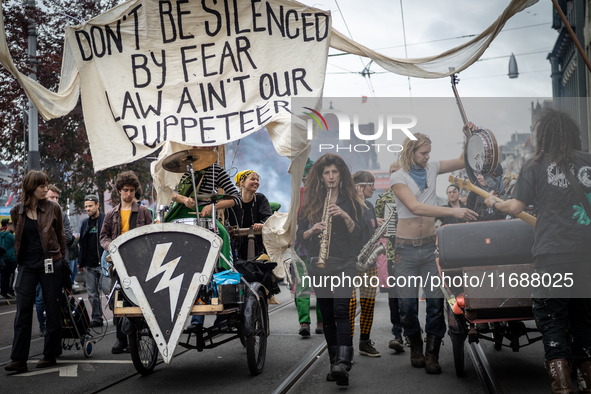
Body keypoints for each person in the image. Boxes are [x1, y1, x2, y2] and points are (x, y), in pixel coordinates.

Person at [484, 108, 591, 393]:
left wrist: (495, 202)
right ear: (573, 134)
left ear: (543, 136)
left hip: (553, 253)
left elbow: (515, 207)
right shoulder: (589, 161)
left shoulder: (535, 165)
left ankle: (562, 387)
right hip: (587, 254)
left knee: (550, 314)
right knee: (584, 315)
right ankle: (587, 379)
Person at [390, 130, 477, 375]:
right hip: (404, 250)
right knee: (406, 306)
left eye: (429, 152)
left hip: (429, 248)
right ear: (410, 152)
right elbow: (415, 207)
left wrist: (468, 137)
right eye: (424, 153)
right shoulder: (398, 177)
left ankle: (432, 353)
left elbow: (462, 161)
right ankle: (415, 346)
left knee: (436, 304)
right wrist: (453, 212)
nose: (429, 157)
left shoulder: (433, 167)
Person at [297, 153, 365, 386]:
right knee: (327, 313)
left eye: (335, 172)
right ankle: (334, 362)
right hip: (320, 263)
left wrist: (345, 216)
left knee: (340, 309)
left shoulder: (352, 200)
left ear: (341, 174)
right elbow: (300, 236)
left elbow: (360, 235)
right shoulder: (313, 202)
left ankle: (344, 362)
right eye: (327, 172)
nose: (331, 176)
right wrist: (311, 230)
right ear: (321, 176)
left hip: (345, 261)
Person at [4, 171, 67, 373]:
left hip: (50, 263)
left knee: (52, 308)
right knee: (22, 311)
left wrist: (60, 260)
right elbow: (19, 239)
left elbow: (61, 236)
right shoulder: (17, 211)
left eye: (46, 185)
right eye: (41, 186)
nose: (45, 189)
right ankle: (19, 359)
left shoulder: (53, 208)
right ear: (31, 187)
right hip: (27, 266)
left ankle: (50, 354)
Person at [100, 171, 153, 354]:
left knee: (139, 298)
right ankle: (120, 338)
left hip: (139, 262)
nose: (128, 193)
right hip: (118, 263)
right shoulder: (111, 214)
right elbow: (103, 237)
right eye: (125, 190)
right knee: (117, 299)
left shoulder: (144, 212)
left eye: (131, 190)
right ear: (119, 191)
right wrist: (111, 247)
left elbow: (151, 236)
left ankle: (141, 334)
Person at [349, 170, 382, 357]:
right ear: (360, 186)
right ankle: (348, 346)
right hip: (351, 262)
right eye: (371, 185)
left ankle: (364, 341)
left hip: (369, 261)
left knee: (369, 303)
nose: (374, 189)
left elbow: (371, 230)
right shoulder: (349, 205)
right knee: (351, 304)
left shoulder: (370, 205)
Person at [374, 161, 406, 353]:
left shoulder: (415, 195)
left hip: (410, 251)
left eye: (398, 172)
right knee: (393, 295)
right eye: (392, 172)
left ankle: (410, 327)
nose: (395, 174)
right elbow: (378, 227)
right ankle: (397, 331)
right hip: (392, 253)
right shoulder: (383, 199)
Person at [35, 185, 73, 337]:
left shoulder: (63, 215)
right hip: (41, 261)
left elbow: (69, 237)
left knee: (59, 296)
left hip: (59, 262)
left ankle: (59, 325)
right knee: (40, 296)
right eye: (52, 197)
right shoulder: (38, 213)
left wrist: (50, 238)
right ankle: (42, 325)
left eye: (57, 198)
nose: (55, 200)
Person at [293, 159, 323, 337]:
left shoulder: (305, 192)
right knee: (320, 286)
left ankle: (307, 322)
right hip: (307, 243)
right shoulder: (302, 192)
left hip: (310, 244)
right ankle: (316, 322)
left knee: (304, 285)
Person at [228, 170, 272, 260]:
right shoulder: (231, 201)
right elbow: (225, 219)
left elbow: (268, 218)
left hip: (258, 247)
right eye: (252, 179)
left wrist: (262, 224)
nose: (256, 182)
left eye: (257, 180)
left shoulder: (260, 199)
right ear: (242, 182)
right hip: (235, 248)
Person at [79, 194, 107, 328]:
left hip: (104, 264)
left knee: (109, 291)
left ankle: (119, 317)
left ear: (97, 205)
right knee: (92, 294)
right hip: (89, 265)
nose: (87, 209)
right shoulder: (85, 223)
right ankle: (96, 318)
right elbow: (82, 243)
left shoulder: (105, 219)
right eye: (86, 207)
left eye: (90, 206)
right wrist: (81, 261)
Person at [0, 221, 17, 299]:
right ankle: (11, 291)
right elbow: (18, 243)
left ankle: (4, 292)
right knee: (14, 275)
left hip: (3, 259)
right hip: (12, 258)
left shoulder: (0, 235)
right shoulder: (11, 236)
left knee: (4, 276)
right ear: (10, 227)